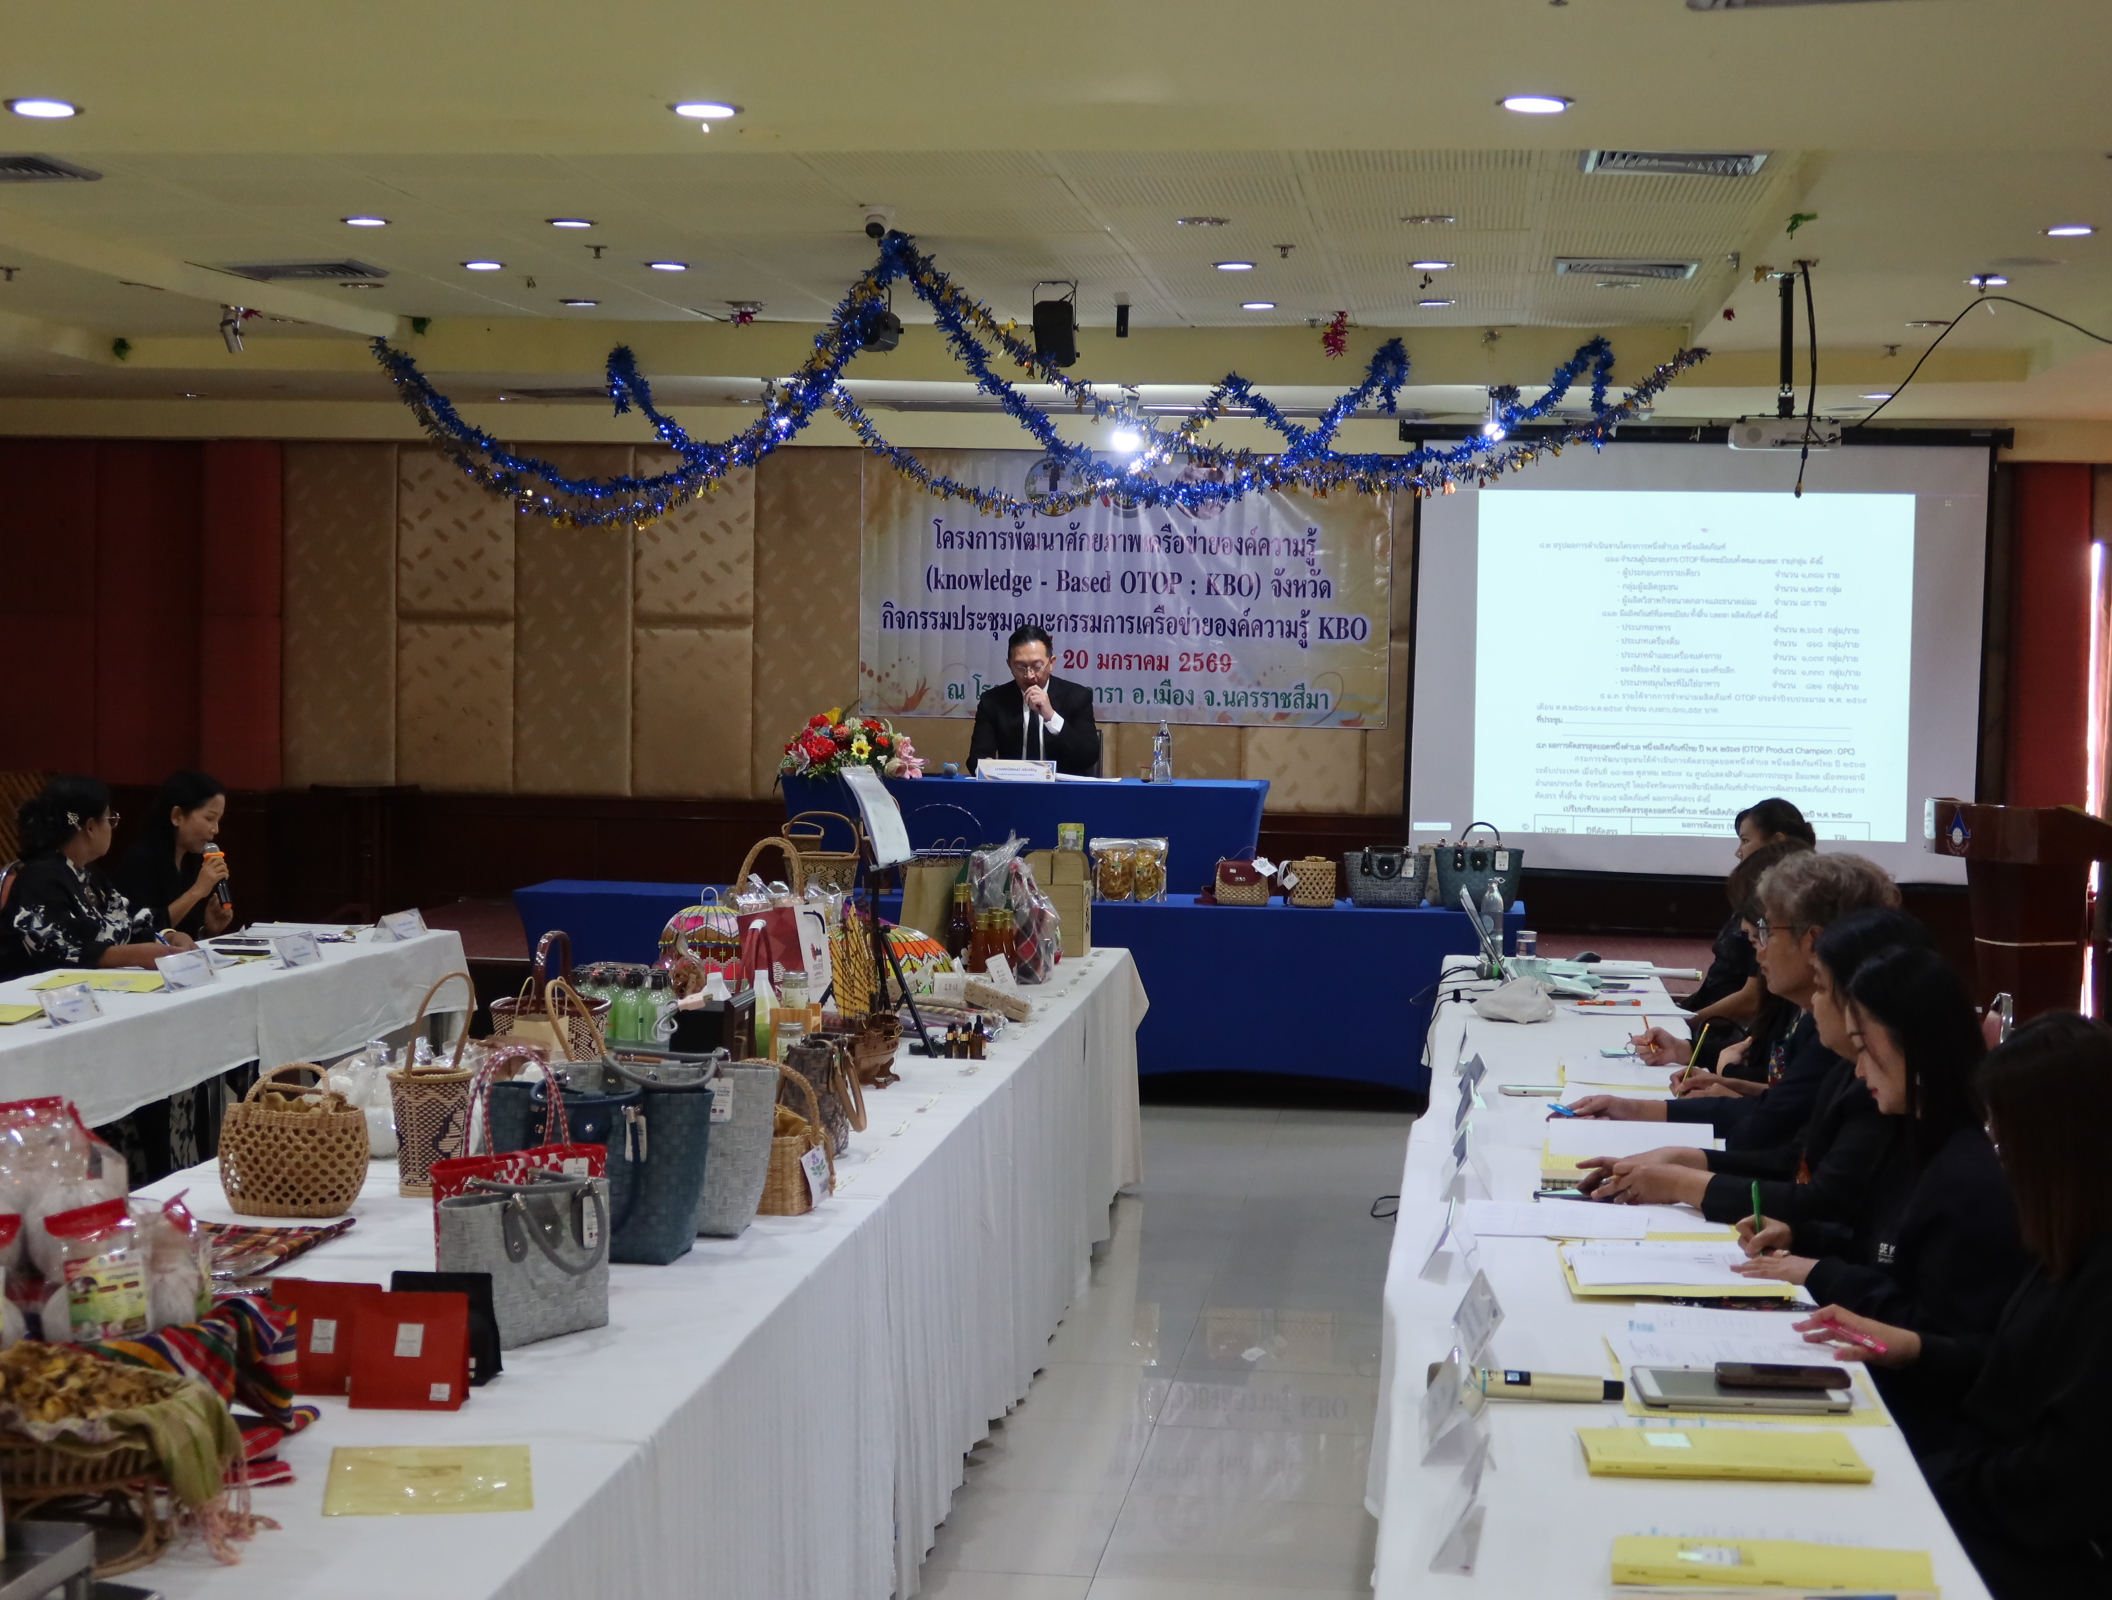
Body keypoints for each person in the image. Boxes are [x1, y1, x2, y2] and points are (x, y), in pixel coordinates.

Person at [1796, 1013, 2112, 1597]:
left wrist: (1912, 1475)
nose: (2000, 1157)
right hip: (1992, 1490)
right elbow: (2015, 1372)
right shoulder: (2067, 1240)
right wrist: (1914, 1348)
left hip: (2040, 1553)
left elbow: (2056, 1484)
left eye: (2008, 1141)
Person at [1730, 941, 2028, 1446]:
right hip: (1878, 1382)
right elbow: (1878, 1248)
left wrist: (1821, 1273)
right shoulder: (1913, 1134)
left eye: (1866, 1048)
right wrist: (1800, 1236)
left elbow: (1939, 1340)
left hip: (1917, 1422)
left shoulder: (1968, 1180)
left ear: (1917, 1046)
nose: (1858, 1069)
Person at [1575, 903, 1907, 1235]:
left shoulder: (1866, 1088)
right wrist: (1677, 1159)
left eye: (1820, 987)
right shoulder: (1845, 1071)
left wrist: (1681, 1182)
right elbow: (1787, 1160)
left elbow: (1820, 1202)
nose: (1813, 1002)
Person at [1570, 852, 1898, 1159]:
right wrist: (1640, 1104)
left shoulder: (1836, 1029)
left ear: (1814, 942)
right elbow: (1781, 1103)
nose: (1757, 949)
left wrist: (1681, 1160)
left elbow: (1768, 1133)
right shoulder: (1806, 1009)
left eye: (1765, 932)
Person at [0, 776, 189, 980]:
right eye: (109, 819)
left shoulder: (87, 871)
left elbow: (125, 920)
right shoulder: (41, 877)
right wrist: (133, 955)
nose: (112, 828)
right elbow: (56, 948)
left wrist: (167, 936)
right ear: (90, 827)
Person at [1681, 799, 1818, 1024]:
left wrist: (1688, 1021)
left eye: (1745, 840)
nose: (1738, 852)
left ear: (1777, 841)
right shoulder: (1760, 901)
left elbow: (1753, 999)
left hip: (1726, 1028)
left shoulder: (1784, 907)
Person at [109, 769, 233, 939]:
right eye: (209, 819)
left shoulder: (191, 860)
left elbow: (182, 935)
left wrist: (208, 930)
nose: (215, 829)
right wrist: (197, 891)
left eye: (218, 821)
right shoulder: (141, 862)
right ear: (177, 816)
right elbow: (140, 931)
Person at [968, 625, 1100, 776]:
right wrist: (987, 766)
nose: (1029, 675)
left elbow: (1089, 756)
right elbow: (976, 758)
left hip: (1061, 788)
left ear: (1051, 663)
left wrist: (1051, 716)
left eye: (1037, 666)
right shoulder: (993, 701)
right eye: (1021, 667)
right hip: (1012, 787)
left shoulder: (1077, 697)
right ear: (1009, 664)